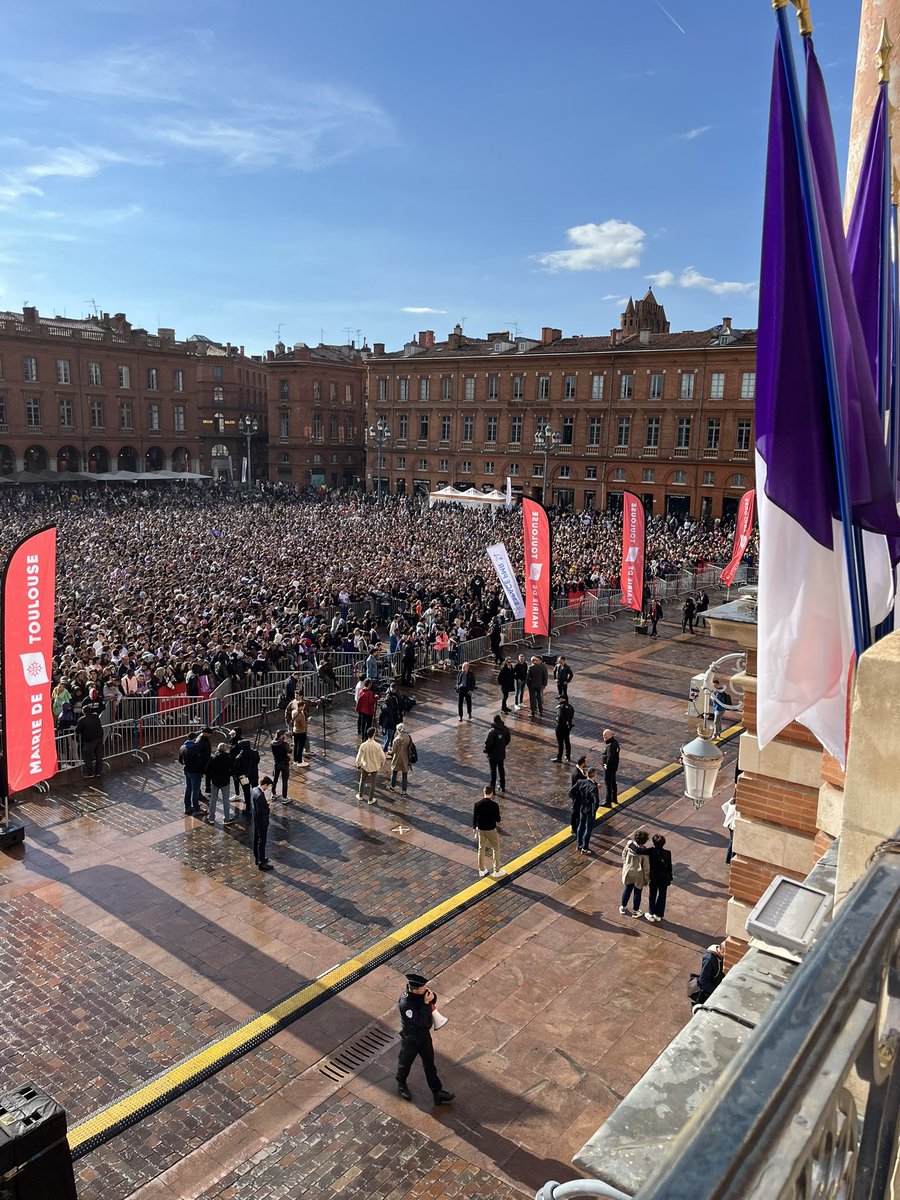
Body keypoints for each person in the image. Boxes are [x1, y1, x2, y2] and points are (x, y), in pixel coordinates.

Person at [396, 972, 455, 1105]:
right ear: (415, 990)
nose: (425, 990)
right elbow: (420, 1022)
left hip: (424, 1037)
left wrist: (432, 998)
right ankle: (401, 1083)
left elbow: (431, 1002)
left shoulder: (420, 994)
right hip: (411, 1039)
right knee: (405, 1063)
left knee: (429, 1064)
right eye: (423, 988)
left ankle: (437, 1092)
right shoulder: (406, 1004)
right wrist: (427, 1003)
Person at [473, 784, 506, 878]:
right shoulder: (494, 805)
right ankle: (496, 870)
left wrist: (474, 827)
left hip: (481, 829)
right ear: (491, 794)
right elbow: (498, 819)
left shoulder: (477, 804)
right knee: (496, 848)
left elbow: (475, 818)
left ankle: (482, 869)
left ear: (484, 793)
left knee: (481, 848)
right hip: (491, 829)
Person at [620, 828, 651, 916]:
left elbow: (623, 855)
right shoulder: (644, 853)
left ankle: (623, 907)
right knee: (637, 892)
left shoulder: (629, 845)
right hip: (639, 874)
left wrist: (626, 864)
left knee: (627, 889)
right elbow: (646, 867)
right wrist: (646, 879)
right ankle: (636, 910)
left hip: (628, 870)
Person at [570, 766, 600, 854]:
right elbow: (596, 801)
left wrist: (578, 800)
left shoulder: (581, 782)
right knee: (588, 828)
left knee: (581, 825)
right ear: (593, 775)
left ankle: (579, 844)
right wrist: (594, 810)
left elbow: (571, 791)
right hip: (589, 809)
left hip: (582, 807)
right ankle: (585, 847)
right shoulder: (593, 788)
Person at [646, 833, 673, 922]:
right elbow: (669, 867)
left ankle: (651, 912)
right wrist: (670, 877)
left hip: (654, 877)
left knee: (652, 895)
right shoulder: (668, 853)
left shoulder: (651, 851)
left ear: (653, 843)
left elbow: (638, 851)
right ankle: (659, 914)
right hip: (664, 878)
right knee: (662, 895)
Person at [206, 742, 235, 826]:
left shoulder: (213, 758)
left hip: (215, 781)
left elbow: (207, 769)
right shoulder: (228, 758)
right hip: (225, 782)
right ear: (225, 749)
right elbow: (232, 770)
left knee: (213, 800)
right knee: (226, 801)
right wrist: (228, 775)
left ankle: (211, 818)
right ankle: (226, 819)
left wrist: (212, 776)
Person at [355, 725, 385, 804]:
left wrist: (358, 764)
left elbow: (358, 757)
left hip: (365, 765)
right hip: (375, 766)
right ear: (374, 735)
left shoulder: (363, 745)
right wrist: (382, 763)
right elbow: (383, 757)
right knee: (373, 783)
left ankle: (360, 795)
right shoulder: (377, 746)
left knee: (362, 780)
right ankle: (370, 799)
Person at [250, 775, 274, 870]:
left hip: (256, 820)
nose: (267, 788)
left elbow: (257, 806)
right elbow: (262, 811)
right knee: (262, 841)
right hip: (262, 822)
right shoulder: (260, 795)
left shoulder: (254, 790)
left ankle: (258, 857)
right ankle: (261, 862)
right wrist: (269, 808)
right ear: (265, 784)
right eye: (267, 786)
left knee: (256, 839)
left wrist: (266, 804)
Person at [483, 714, 511, 794]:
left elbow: (488, 743)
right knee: (501, 769)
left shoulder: (492, 731)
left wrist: (486, 750)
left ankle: (493, 789)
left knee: (493, 771)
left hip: (492, 755)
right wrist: (502, 745)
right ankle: (502, 786)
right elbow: (508, 740)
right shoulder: (505, 729)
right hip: (501, 753)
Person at [75, 704, 104, 779]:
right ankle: (98, 772)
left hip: (90, 740)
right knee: (99, 756)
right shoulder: (96, 717)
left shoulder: (82, 720)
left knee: (87, 756)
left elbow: (77, 731)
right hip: (99, 738)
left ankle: (91, 772)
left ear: (83, 712)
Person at [178, 733, 205, 814]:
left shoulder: (182, 747)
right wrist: (202, 771)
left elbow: (180, 759)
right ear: (194, 738)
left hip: (187, 770)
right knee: (195, 790)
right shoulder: (195, 748)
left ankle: (188, 807)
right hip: (195, 772)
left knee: (188, 788)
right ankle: (197, 809)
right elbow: (199, 762)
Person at [287, 690, 311, 765]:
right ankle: (300, 761)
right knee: (300, 747)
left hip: (295, 730)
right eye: (303, 706)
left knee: (295, 746)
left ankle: (295, 760)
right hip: (301, 732)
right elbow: (303, 725)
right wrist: (306, 722)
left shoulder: (294, 712)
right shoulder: (301, 715)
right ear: (301, 707)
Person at [389, 722, 413, 795]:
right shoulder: (408, 737)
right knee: (404, 776)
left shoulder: (396, 740)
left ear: (398, 730)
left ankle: (392, 787)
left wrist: (389, 752)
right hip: (405, 758)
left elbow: (394, 750)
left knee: (394, 773)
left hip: (397, 758)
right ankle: (404, 791)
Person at [552, 694, 574, 763]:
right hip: (567, 727)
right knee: (567, 741)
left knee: (560, 743)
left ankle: (559, 757)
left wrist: (556, 720)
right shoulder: (570, 707)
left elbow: (559, 718)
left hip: (560, 728)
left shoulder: (561, 707)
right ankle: (568, 756)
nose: (558, 700)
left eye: (559, 698)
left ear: (564, 699)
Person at [601, 728, 620, 807]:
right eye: (603, 735)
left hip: (609, 768)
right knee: (613, 782)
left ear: (610, 735)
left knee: (608, 784)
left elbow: (610, 757)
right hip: (614, 767)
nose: (604, 737)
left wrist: (606, 765)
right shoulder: (615, 743)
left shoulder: (610, 745)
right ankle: (614, 798)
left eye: (606, 735)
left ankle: (608, 801)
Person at [526, 655, 548, 719]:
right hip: (539, 685)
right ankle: (541, 711)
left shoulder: (530, 668)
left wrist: (528, 684)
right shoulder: (541, 667)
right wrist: (544, 684)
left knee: (532, 699)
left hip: (532, 686)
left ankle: (532, 712)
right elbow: (544, 676)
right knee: (539, 698)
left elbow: (528, 678)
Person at [270, 729, 290, 800]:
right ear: (282, 736)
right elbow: (289, 751)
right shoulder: (285, 744)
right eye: (284, 734)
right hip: (284, 764)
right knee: (284, 781)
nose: (285, 735)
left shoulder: (272, 743)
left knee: (275, 779)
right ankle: (284, 797)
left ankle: (273, 793)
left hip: (276, 763)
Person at [722, 792, 737, 864]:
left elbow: (724, 806)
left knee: (732, 841)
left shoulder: (732, 801)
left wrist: (728, 815)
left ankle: (728, 860)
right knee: (734, 843)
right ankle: (730, 860)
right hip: (734, 826)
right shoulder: (738, 806)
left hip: (729, 824)